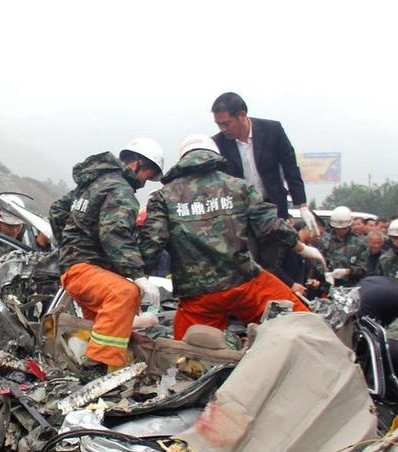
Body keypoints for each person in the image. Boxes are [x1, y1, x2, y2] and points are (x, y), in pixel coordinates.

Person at [140, 135, 323, 339]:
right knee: (302, 327)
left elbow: (151, 243)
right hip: (245, 282)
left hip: (199, 295)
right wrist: (303, 249)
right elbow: (270, 226)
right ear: (215, 155)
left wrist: (140, 277)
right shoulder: (239, 187)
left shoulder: (163, 197)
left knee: (191, 355)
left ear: (183, 158)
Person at [49, 138, 164, 368]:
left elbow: (57, 212)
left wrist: (72, 243)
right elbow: (115, 233)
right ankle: (98, 367)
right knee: (126, 293)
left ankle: (99, 365)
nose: (144, 182)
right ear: (137, 164)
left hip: (76, 267)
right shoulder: (120, 190)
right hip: (85, 269)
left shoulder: (93, 184)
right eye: (147, 175)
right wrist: (138, 274)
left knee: (102, 324)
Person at [210, 92, 306, 220]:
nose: (223, 129)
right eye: (218, 124)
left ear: (242, 115)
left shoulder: (272, 131)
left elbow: (291, 168)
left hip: (273, 205)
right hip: (240, 211)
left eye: (226, 124)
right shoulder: (217, 144)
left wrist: (302, 204)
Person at [319, 206, 368, 287]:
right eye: (338, 228)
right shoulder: (325, 241)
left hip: (351, 286)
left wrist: (347, 271)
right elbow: (318, 262)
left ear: (349, 226)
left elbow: (364, 268)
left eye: (344, 228)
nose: (341, 231)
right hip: (328, 286)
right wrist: (326, 272)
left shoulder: (359, 243)